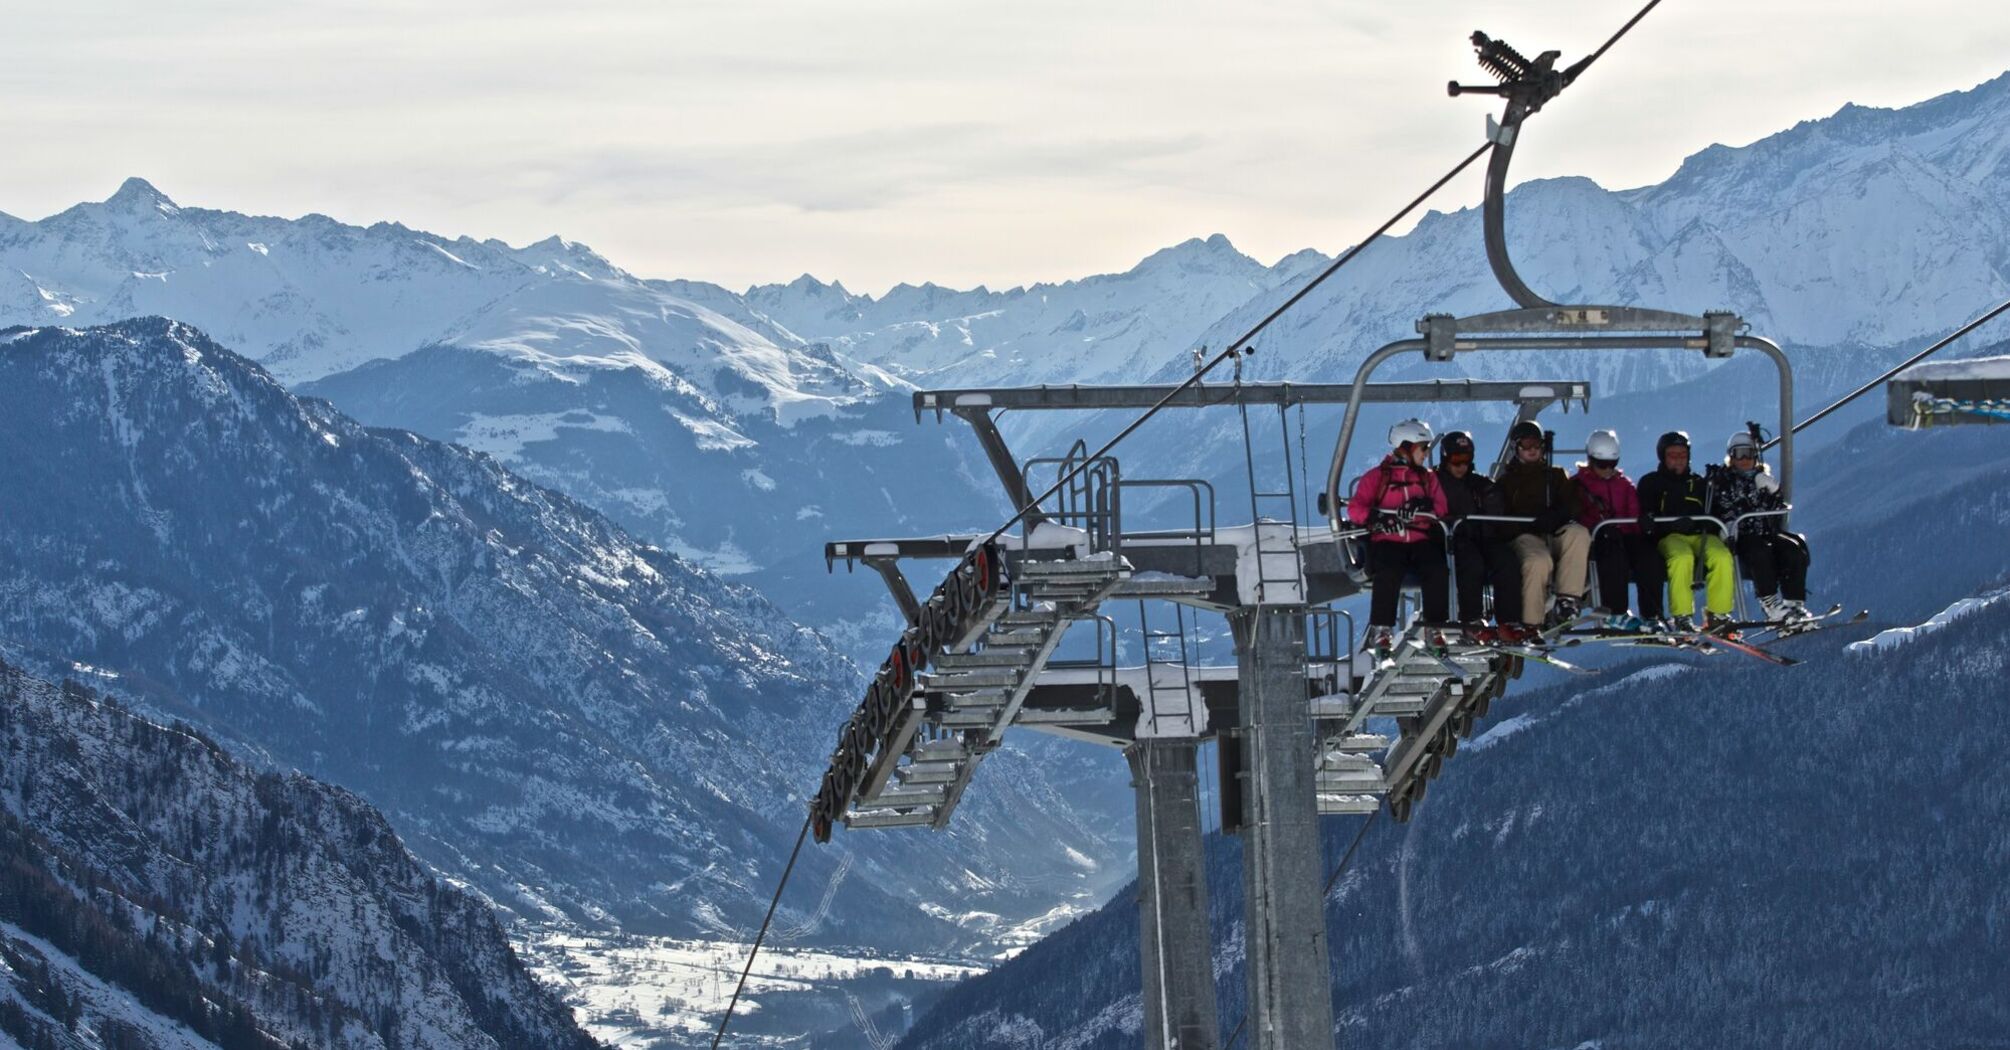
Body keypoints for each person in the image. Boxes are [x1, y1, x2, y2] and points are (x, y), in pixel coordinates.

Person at [1347, 418, 1449, 651]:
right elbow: (1356, 509)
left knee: (1436, 568)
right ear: (1407, 447)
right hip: (1388, 540)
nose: (1425, 455)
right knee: (1388, 569)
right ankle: (1382, 629)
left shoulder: (1427, 478)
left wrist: (1422, 505)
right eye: (1423, 449)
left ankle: (1435, 626)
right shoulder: (1377, 478)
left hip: (1420, 539)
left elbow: (1442, 509)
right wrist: (1377, 519)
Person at [1707, 428, 1812, 622]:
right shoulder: (1724, 481)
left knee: (1794, 548)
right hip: (1743, 536)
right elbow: (1722, 508)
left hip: (1766, 532)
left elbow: (1777, 508)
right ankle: (1770, 604)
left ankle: (1793, 603)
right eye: (1740, 454)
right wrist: (1729, 527)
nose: (1745, 459)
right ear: (1731, 456)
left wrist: (1774, 491)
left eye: (1749, 453)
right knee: (1759, 552)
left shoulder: (1761, 479)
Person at [1636, 431, 1735, 632]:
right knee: (1681, 558)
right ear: (1663, 456)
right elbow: (1645, 516)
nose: (1678, 460)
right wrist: (1666, 525)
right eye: (1673, 455)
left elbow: (1716, 513)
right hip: (1670, 536)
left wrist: (1722, 532)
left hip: (1701, 534)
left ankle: (1718, 614)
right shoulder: (1651, 482)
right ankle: (1682, 616)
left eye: (1682, 455)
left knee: (1722, 556)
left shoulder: (1699, 483)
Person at [1496, 420, 1590, 629]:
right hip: (1525, 535)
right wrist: (1530, 522)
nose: (1532, 450)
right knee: (1538, 561)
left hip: (1553, 531)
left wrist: (1556, 516)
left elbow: (1572, 505)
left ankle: (1568, 600)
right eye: (1526, 446)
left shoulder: (1555, 476)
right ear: (1516, 448)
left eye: (1536, 445)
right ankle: (1532, 623)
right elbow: (1502, 520)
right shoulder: (1507, 482)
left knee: (1579, 534)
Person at [1571, 429, 1664, 631]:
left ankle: (1651, 613)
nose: (1607, 470)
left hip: (1625, 535)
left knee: (1649, 557)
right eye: (1601, 464)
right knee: (1614, 555)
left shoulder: (1624, 485)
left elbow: (1634, 512)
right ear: (1590, 460)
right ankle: (1615, 612)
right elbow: (1577, 515)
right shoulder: (1578, 486)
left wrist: (1643, 525)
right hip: (1598, 539)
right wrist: (1597, 527)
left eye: (1612, 464)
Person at [1435, 430, 1524, 638]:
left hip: (1482, 537)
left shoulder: (1478, 483)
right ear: (1445, 459)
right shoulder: (1436, 484)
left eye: (1466, 460)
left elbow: (1497, 505)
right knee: (1471, 563)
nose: (1461, 466)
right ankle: (1471, 620)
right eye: (1456, 460)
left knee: (1506, 560)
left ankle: (1508, 621)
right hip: (1453, 540)